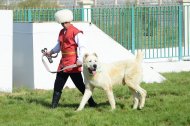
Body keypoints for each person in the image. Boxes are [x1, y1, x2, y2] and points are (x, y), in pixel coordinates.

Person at [44, 9, 97, 108]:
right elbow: (59, 46)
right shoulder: (61, 32)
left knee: (80, 86)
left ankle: (92, 103)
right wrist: (50, 53)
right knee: (58, 84)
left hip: (73, 63)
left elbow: (82, 47)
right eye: (62, 23)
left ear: (67, 21)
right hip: (63, 63)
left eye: (64, 23)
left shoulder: (76, 32)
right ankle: (53, 106)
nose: (63, 25)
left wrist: (80, 60)